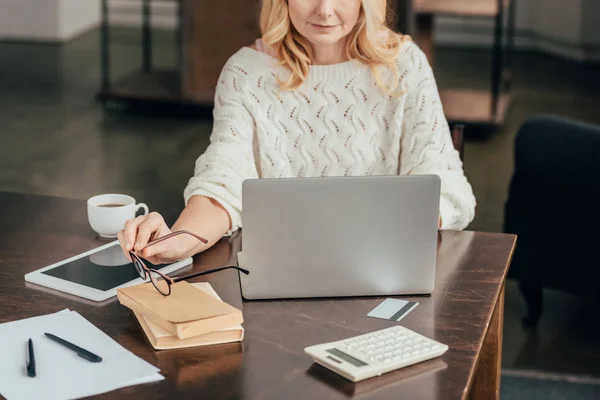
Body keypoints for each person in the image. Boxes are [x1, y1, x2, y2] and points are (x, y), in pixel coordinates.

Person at [118, 0, 476, 265]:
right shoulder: (246, 73)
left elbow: (448, 187)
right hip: (280, 270)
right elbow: (222, 183)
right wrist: (178, 239)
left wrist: (401, 224)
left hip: (384, 266)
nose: (325, 10)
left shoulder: (404, 65)